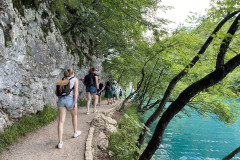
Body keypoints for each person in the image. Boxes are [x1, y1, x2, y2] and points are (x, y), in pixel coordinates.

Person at [56, 68, 81, 149]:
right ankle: (75, 132)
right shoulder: (75, 79)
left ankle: (60, 142)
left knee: (61, 121)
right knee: (74, 116)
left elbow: (56, 92)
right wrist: (75, 103)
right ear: (73, 73)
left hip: (61, 100)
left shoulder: (62, 80)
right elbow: (76, 92)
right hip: (70, 100)